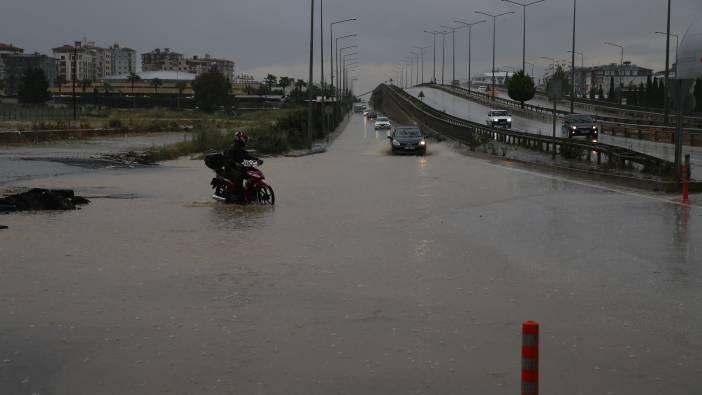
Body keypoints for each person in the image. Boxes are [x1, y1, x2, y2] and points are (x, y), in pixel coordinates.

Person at [224, 131, 262, 202]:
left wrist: (257, 160)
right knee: (240, 176)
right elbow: (228, 159)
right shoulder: (232, 148)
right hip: (230, 169)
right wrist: (235, 163)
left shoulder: (240, 148)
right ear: (240, 139)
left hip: (239, 168)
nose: (245, 140)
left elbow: (247, 156)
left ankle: (249, 193)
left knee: (253, 172)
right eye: (244, 138)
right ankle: (237, 196)